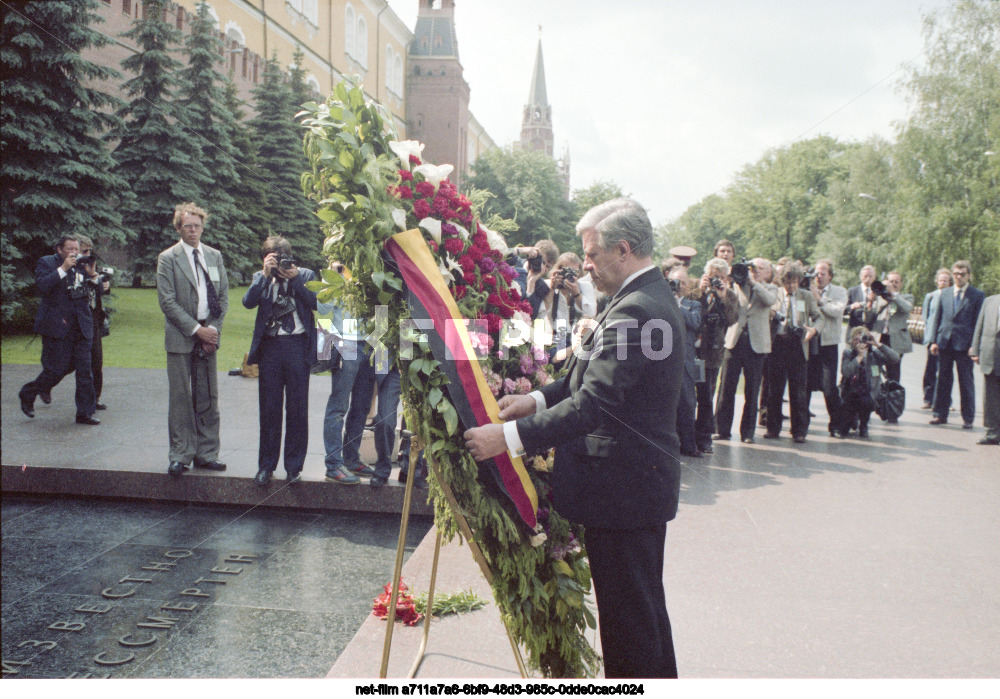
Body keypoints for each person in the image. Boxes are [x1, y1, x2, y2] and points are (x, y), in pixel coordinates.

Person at [464, 198, 683, 678]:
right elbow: (580, 379)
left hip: (626, 493)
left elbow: (592, 406)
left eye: (590, 254)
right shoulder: (633, 299)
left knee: (631, 631)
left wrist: (507, 437)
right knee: (641, 617)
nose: (583, 265)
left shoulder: (638, 311)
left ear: (622, 250)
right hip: (631, 489)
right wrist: (536, 400)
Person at [157, 202, 228, 476]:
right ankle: (181, 454)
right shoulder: (168, 258)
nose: (194, 231)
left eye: (198, 226)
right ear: (179, 228)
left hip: (208, 334)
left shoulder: (214, 256)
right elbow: (167, 301)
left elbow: (222, 299)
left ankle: (207, 453)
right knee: (181, 397)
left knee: (208, 395)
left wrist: (212, 331)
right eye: (188, 226)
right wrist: (196, 331)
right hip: (181, 336)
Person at [243, 236, 318, 485]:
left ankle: (294, 468)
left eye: (283, 257)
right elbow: (248, 302)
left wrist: (295, 278)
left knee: (297, 409)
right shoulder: (261, 276)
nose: (280, 264)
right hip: (271, 348)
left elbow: (316, 302)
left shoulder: (305, 275)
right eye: (274, 259)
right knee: (270, 409)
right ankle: (266, 466)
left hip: (298, 346)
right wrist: (265, 275)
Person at [18, 235, 99, 424]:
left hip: (82, 325)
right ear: (59, 249)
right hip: (58, 326)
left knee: (85, 370)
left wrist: (93, 275)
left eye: (76, 249)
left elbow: (95, 292)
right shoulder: (46, 262)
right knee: (55, 370)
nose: (74, 253)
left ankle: (85, 413)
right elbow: (43, 286)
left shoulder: (82, 264)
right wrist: (63, 268)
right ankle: (28, 393)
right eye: (70, 249)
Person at [714, 257, 777, 444]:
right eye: (752, 267)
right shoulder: (735, 285)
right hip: (735, 340)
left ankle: (747, 432)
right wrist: (738, 283)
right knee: (726, 387)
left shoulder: (770, 287)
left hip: (756, 344)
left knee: (752, 390)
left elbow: (770, 300)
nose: (755, 270)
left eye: (760, 268)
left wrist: (753, 283)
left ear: (767, 271)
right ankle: (722, 429)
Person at [317, 262, 366, 485]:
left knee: (362, 406)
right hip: (345, 343)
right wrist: (331, 278)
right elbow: (323, 311)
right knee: (338, 406)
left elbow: (382, 308)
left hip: (371, 344)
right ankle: (334, 465)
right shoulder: (337, 274)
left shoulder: (369, 269)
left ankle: (352, 458)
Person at [764, 262, 823, 443]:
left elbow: (819, 317)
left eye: (795, 282)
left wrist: (813, 331)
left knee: (798, 390)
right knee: (774, 389)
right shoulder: (775, 294)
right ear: (783, 281)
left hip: (798, 345)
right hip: (778, 345)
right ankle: (773, 428)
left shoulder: (805, 296)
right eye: (788, 282)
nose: (792, 286)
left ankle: (799, 430)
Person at [928, 260, 985, 429]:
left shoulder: (977, 295)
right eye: (956, 274)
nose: (959, 277)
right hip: (945, 342)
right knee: (943, 380)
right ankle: (939, 414)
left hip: (965, 346)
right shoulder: (944, 293)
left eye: (962, 274)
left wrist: (975, 345)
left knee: (966, 381)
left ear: (969, 276)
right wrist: (933, 341)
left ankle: (968, 418)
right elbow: (937, 318)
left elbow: (978, 323)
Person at [694, 258, 738, 454]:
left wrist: (722, 297)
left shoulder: (729, 296)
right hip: (695, 351)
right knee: (688, 396)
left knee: (707, 397)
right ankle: (686, 435)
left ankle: (704, 439)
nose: (716, 281)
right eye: (713, 277)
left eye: (721, 277)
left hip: (713, 353)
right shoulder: (696, 291)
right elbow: (691, 312)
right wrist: (702, 292)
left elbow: (732, 319)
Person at [343, 346, 401, 487]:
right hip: (382, 360)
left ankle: (413, 470)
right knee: (379, 418)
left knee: (392, 420)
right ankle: (381, 469)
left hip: (408, 362)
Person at [839, 326, 900, 438]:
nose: (859, 342)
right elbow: (846, 372)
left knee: (866, 402)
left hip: (869, 395)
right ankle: (852, 419)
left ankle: (864, 425)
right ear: (851, 342)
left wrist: (878, 344)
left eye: (862, 339)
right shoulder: (848, 353)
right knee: (843, 430)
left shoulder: (875, 355)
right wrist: (859, 356)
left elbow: (895, 358)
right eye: (856, 339)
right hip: (850, 395)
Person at [809, 259, 847, 436]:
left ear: (830, 276)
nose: (819, 276)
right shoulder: (806, 289)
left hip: (828, 344)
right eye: (817, 272)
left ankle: (837, 424)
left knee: (829, 386)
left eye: (823, 273)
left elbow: (836, 311)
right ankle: (801, 426)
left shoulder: (839, 292)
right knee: (805, 385)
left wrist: (819, 299)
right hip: (809, 342)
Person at [668, 268, 702, 457]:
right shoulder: (662, 301)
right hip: (665, 357)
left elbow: (695, 323)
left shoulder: (693, 305)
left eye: (682, 282)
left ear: (687, 285)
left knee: (688, 402)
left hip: (686, 359)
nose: (678, 286)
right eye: (674, 282)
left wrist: (676, 304)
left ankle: (689, 445)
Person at [76, 236, 110, 411]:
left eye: (89, 251)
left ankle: (94, 398)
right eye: (84, 252)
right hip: (76, 323)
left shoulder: (91, 270)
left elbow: (102, 291)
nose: (87, 256)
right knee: (63, 366)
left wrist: (101, 282)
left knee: (96, 361)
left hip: (93, 322)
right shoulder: (72, 270)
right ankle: (41, 387)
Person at [540, 252, 596, 358]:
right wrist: (552, 289)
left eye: (574, 272)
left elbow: (591, 313)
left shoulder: (584, 287)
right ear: (558, 270)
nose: (569, 276)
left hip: (576, 339)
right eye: (566, 271)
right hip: (553, 338)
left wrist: (576, 293)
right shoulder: (547, 285)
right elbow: (541, 312)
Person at [867, 271, 913, 388]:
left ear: (901, 284)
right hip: (880, 339)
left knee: (893, 372)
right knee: (874, 367)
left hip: (896, 340)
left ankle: (892, 398)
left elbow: (907, 308)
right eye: (891, 281)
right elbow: (867, 318)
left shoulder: (906, 297)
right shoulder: (880, 298)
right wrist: (871, 302)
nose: (893, 284)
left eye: (896, 282)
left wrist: (892, 294)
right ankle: (876, 391)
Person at [970, 293, 1000, 446]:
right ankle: (993, 433)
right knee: (991, 397)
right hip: (991, 353)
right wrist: (975, 349)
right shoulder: (990, 301)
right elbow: (979, 326)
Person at [921, 269, 952, 409]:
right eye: (940, 280)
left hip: (945, 339)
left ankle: (946, 401)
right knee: (931, 369)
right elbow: (926, 317)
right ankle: (928, 399)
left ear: (949, 282)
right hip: (932, 338)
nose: (942, 282)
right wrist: (929, 337)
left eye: (945, 280)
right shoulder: (931, 296)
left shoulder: (952, 296)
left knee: (945, 371)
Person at [845, 265, 877, 332]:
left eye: (870, 276)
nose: (868, 279)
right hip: (853, 332)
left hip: (871, 333)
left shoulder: (877, 293)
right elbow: (843, 310)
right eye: (865, 276)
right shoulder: (852, 291)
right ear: (861, 277)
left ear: (874, 278)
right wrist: (852, 306)